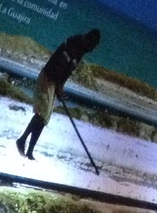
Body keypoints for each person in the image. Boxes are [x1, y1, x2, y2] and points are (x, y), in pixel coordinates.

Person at [16, 28, 102, 160]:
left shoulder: (81, 51)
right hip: (47, 78)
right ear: (90, 41)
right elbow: (59, 66)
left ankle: (29, 151)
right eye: (94, 46)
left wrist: (61, 86)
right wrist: (59, 86)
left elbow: (67, 71)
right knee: (42, 115)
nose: (93, 49)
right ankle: (22, 141)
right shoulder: (74, 45)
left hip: (54, 82)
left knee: (45, 118)